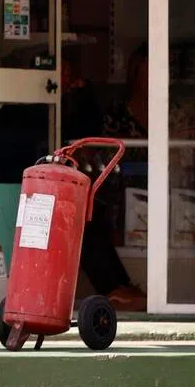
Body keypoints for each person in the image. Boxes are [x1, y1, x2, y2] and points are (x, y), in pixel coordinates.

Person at [61, 50, 147, 313]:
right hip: (53, 180)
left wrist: (81, 93)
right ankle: (115, 287)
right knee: (85, 221)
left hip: (78, 178)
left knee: (90, 218)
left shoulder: (78, 98)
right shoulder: (56, 102)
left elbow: (87, 129)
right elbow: (72, 133)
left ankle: (119, 285)